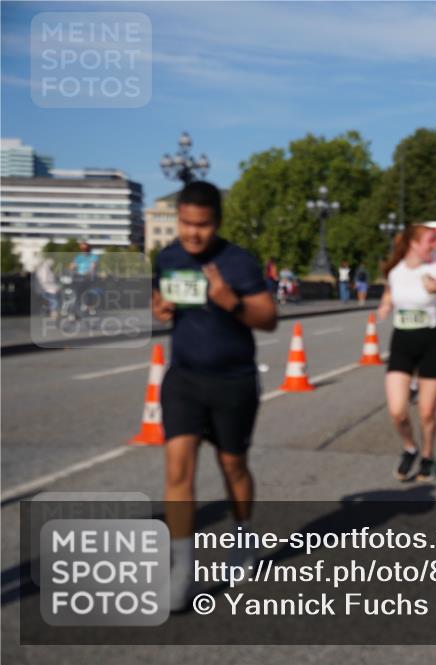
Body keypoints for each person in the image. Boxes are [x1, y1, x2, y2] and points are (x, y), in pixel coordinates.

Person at [151, 181, 277, 611]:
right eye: (186, 223)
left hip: (233, 382)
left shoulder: (237, 261)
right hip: (184, 378)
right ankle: (182, 573)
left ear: (216, 223)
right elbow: (159, 296)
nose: (192, 234)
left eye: (201, 226)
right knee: (178, 469)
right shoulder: (167, 257)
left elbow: (269, 318)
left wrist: (231, 302)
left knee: (233, 466)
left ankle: (243, 536)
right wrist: (160, 307)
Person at [379, 225, 436, 482]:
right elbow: (390, 295)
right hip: (402, 342)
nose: (434, 246)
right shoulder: (396, 272)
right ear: (414, 244)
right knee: (397, 411)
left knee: (426, 411)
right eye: (430, 242)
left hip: (430, 342)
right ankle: (410, 447)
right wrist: (384, 306)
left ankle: (427, 455)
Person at [71, 241, 99, 318]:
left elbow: (93, 267)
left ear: (89, 249)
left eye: (86, 248)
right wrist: (71, 269)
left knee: (85, 292)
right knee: (76, 293)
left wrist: (88, 273)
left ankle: (89, 307)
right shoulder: (78, 257)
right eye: (82, 248)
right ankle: (75, 311)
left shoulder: (93, 256)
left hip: (88, 277)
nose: (84, 250)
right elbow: (73, 266)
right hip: (78, 277)